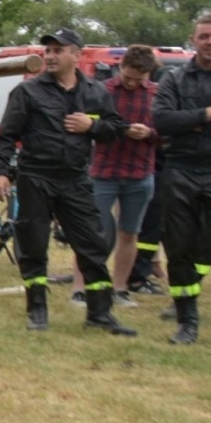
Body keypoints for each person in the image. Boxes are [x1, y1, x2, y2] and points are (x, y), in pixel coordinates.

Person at [0, 29, 132, 335]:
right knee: (34, 245)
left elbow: (116, 129)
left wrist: (91, 124)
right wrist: (0, 172)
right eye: (48, 51)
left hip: (76, 180)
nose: (50, 56)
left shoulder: (95, 92)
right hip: (36, 177)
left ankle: (100, 313)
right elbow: (6, 137)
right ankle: (37, 310)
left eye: (58, 50)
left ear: (76, 55)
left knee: (93, 245)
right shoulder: (28, 92)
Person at [152, 12, 211, 344]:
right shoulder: (174, 79)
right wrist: (207, 115)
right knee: (178, 247)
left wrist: (188, 121)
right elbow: (162, 121)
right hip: (181, 170)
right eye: (204, 36)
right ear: (193, 41)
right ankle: (187, 322)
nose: (210, 42)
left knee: (209, 244)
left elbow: (176, 120)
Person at [80, 44, 158, 306]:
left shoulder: (157, 95)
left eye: (140, 79)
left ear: (149, 74)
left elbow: (168, 133)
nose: (134, 83)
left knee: (129, 233)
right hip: (103, 172)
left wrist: (149, 134)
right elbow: (87, 126)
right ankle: (82, 289)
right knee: (91, 232)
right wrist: (118, 129)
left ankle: (119, 289)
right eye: (129, 77)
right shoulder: (102, 91)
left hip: (140, 173)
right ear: (121, 67)